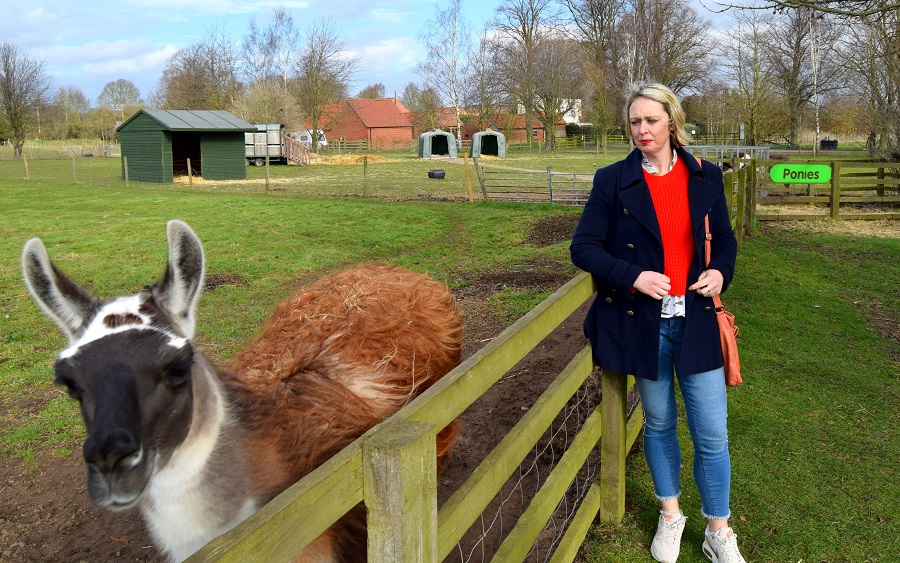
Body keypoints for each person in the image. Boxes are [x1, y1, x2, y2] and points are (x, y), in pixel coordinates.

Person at [570, 82, 746, 563]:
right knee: (661, 423)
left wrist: (720, 271)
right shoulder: (612, 180)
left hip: (697, 322)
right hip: (645, 326)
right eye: (635, 122)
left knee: (712, 433)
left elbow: (725, 240)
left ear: (672, 121)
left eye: (651, 119)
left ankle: (718, 529)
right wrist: (633, 276)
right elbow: (583, 247)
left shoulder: (705, 175)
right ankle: (671, 515)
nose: (642, 129)